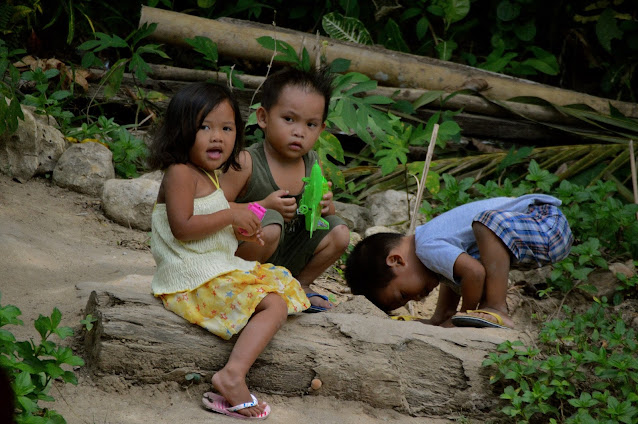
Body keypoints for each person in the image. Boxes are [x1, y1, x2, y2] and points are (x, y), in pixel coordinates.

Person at [147, 82, 310, 419]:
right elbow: (183, 227)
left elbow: (211, 226)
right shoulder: (180, 173)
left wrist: (241, 231)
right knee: (273, 304)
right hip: (188, 277)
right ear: (181, 131)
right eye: (204, 127)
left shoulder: (211, 176)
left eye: (226, 128)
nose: (217, 137)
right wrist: (232, 213)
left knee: (278, 288)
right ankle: (232, 376)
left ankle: (234, 372)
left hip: (211, 267)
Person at [221, 67, 350, 313]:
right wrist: (262, 207)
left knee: (340, 232)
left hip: (288, 255)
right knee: (271, 222)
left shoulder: (312, 163)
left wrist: (325, 204)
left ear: (321, 130)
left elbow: (326, 214)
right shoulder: (246, 162)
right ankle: (244, 286)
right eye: (289, 119)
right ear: (263, 118)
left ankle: (298, 286)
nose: (299, 132)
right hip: (245, 257)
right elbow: (214, 208)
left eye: (310, 124)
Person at [344, 194, 573, 329]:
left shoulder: (426, 245)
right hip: (540, 231)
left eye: (403, 294)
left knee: (485, 224)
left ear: (396, 261)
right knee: (461, 263)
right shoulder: (430, 249)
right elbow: (459, 276)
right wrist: (442, 317)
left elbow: (474, 274)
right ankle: (447, 314)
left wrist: (463, 317)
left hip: (545, 222)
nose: (415, 297)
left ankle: (497, 307)